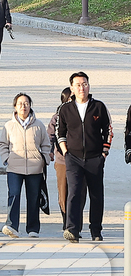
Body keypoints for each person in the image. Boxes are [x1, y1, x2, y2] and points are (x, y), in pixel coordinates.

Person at [55, 71, 111, 242]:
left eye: (85, 84)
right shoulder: (65, 109)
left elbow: (108, 131)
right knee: (74, 193)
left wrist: (103, 153)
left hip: (95, 158)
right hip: (73, 158)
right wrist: (66, 152)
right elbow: (60, 133)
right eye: (78, 85)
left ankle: (96, 230)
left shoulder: (99, 107)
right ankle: (72, 229)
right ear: (71, 88)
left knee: (96, 195)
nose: (82, 88)